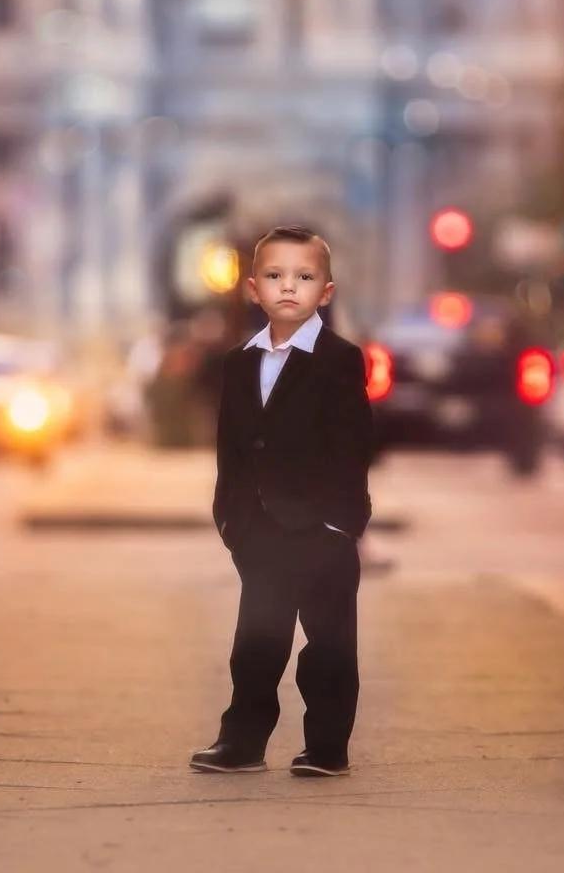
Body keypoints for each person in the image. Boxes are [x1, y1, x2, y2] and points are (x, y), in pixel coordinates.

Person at [190, 225, 374, 778]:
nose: (288, 287)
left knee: (329, 647)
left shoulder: (339, 359)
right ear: (253, 289)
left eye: (304, 277)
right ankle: (242, 743)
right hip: (260, 530)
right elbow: (233, 449)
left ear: (327, 291)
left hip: (321, 531)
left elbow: (354, 443)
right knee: (256, 644)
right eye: (274, 276)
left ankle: (326, 748)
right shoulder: (240, 363)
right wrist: (230, 516)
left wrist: (342, 523)